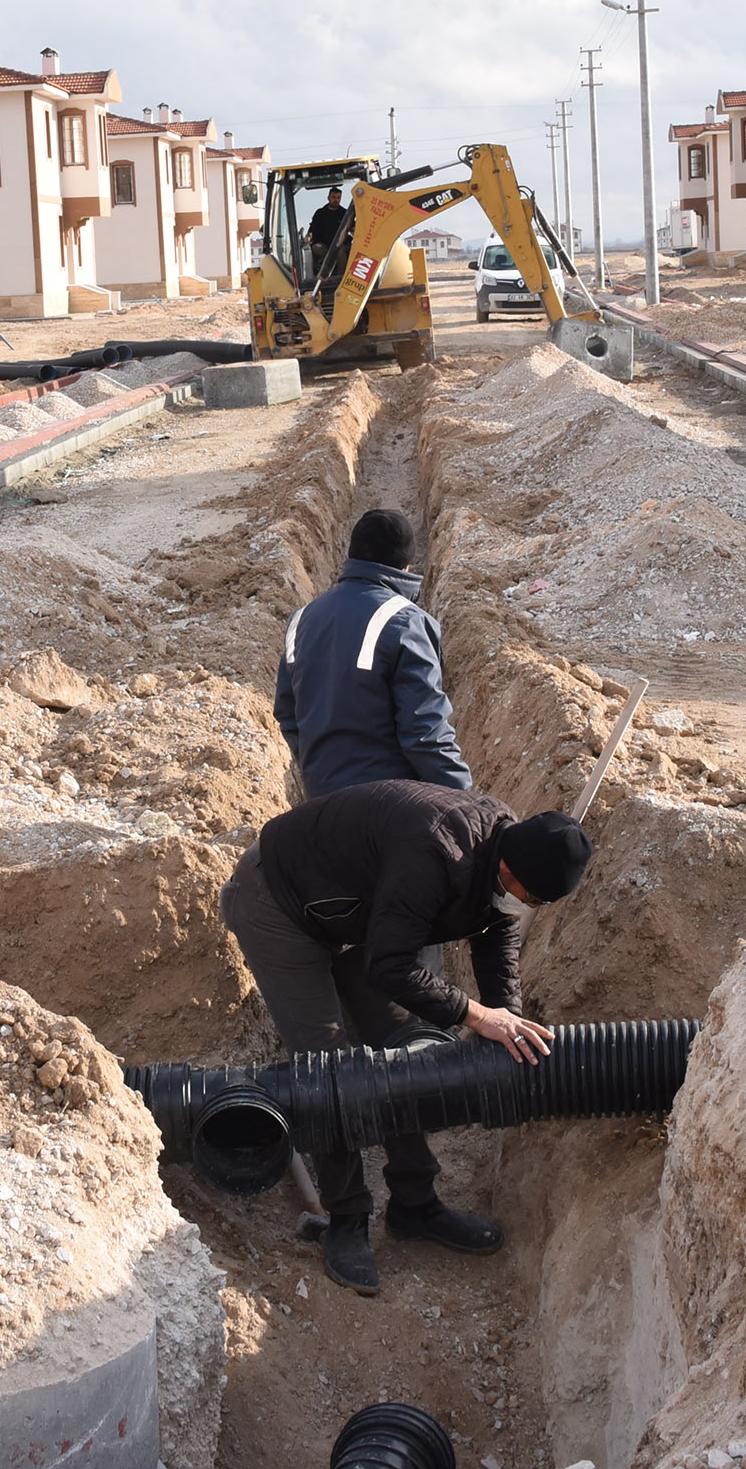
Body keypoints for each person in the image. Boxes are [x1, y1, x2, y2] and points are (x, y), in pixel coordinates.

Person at [218, 779, 592, 1295]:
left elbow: (497, 939)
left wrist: (506, 1022)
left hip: (356, 910)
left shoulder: (506, 858)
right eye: (531, 896)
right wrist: (474, 1015)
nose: (529, 907)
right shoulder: (438, 851)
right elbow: (392, 965)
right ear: (509, 867)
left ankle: (415, 1204)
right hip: (279, 899)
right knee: (329, 1070)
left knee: (400, 1047)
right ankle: (346, 1219)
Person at [274, 510, 469, 800]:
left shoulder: (301, 619)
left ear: (350, 556)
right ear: (405, 566)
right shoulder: (408, 622)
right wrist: (463, 795)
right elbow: (424, 733)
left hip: (322, 802)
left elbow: (288, 715)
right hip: (391, 806)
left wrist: (322, 772)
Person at [305, 186, 352, 287]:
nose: (336, 200)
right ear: (328, 198)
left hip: (340, 245)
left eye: (338, 198)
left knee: (340, 252)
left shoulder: (344, 213)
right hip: (323, 245)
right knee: (318, 249)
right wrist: (309, 236)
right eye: (333, 197)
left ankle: (339, 278)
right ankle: (323, 275)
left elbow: (352, 228)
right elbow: (312, 230)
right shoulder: (320, 213)